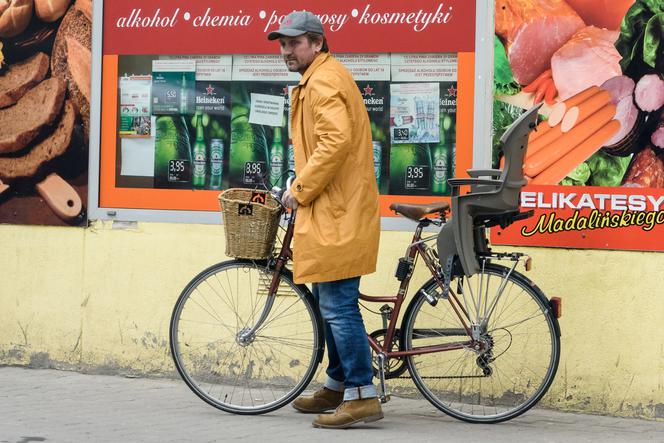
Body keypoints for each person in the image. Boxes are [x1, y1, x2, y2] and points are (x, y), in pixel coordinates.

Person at [267, 10, 382, 429]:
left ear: (317, 43)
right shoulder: (317, 78)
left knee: (337, 305)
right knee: (329, 301)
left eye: (294, 43)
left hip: (338, 210)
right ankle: (336, 385)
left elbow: (334, 143)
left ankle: (362, 394)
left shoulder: (325, 81)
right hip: (332, 208)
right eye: (282, 44)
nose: (286, 51)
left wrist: (298, 192)